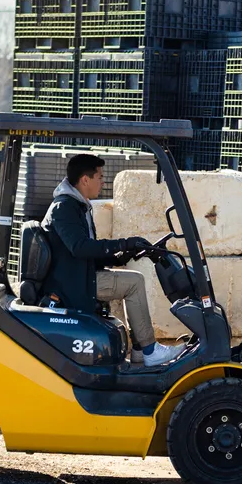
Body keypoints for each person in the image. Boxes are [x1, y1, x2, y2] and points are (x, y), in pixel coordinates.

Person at [42, 153, 180, 368]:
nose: (103, 181)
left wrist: (121, 255)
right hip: (72, 284)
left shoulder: (79, 205)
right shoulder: (65, 208)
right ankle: (149, 350)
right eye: (100, 177)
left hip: (80, 274)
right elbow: (79, 248)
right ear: (85, 180)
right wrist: (123, 244)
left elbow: (87, 251)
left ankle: (139, 351)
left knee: (133, 278)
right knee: (134, 283)